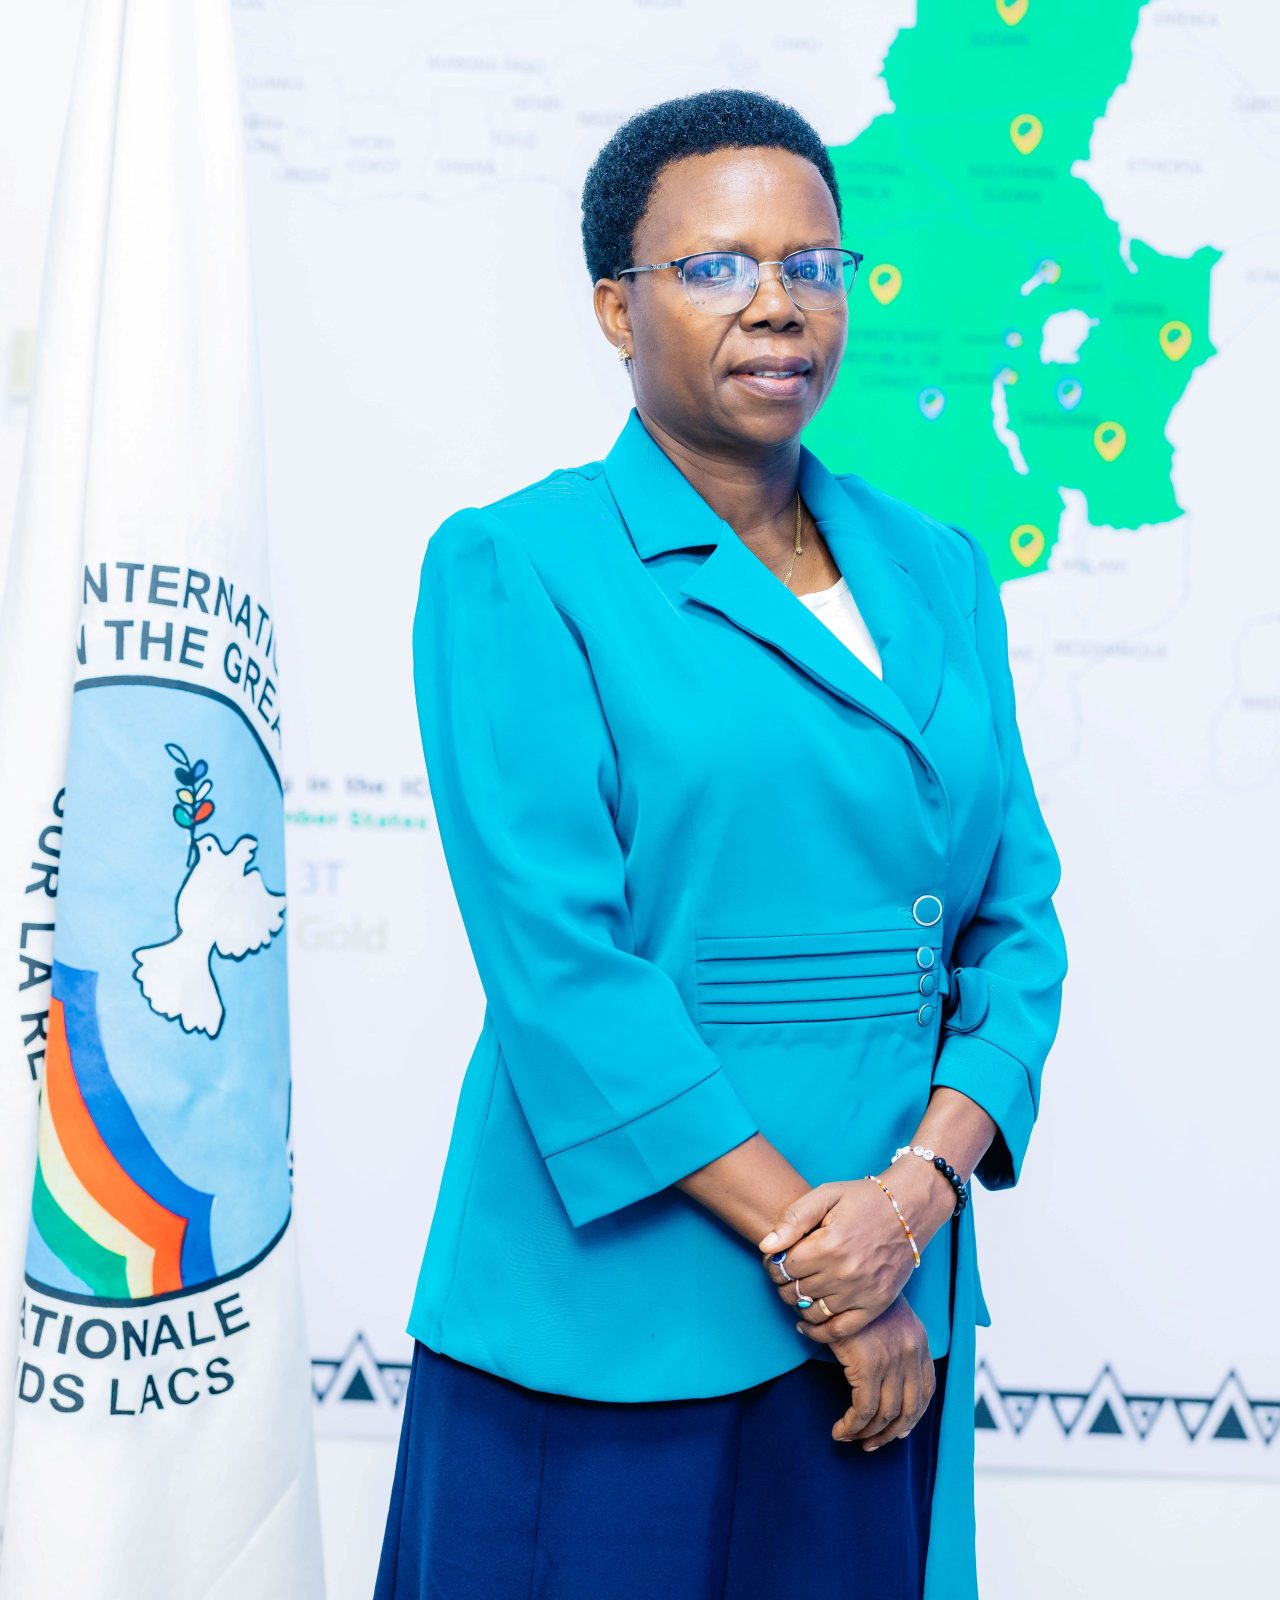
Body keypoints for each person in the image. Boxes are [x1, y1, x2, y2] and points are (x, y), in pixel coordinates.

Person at [374, 87, 1068, 1600]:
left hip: (890, 1297)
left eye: (813, 265)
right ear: (616, 308)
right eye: (716, 267)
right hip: (616, 1326)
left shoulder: (937, 568)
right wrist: (834, 1273)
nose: (777, 304)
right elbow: (566, 974)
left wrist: (912, 1206)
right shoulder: (519, 565)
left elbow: (1015, 925)